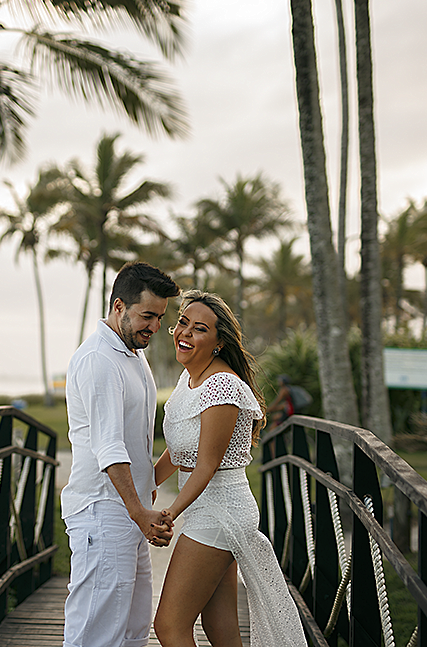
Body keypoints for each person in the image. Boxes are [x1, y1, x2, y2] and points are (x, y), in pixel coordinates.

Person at [153, 290, 308, 647]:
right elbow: (180, 452)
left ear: (219, 342)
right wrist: (146, 484)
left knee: (170, 626)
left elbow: (206, 466)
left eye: (200, 329)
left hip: (220, 512)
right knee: (220, 629)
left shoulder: (222, 386)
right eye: (183, 324)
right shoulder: (189, 379)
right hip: (206, 510)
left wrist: (169, 514)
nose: (185, 334)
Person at [61, 261, 181, 647]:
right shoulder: (99, 360)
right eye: (147, 315)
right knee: (96, 634)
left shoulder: (132, 353)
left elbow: (137, 445)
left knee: (131, 630)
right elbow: (110, 447)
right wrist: (140, 512)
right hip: (104, 511)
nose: (155, 327)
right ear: (119, 307)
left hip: (129, 511)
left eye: (160, 318)